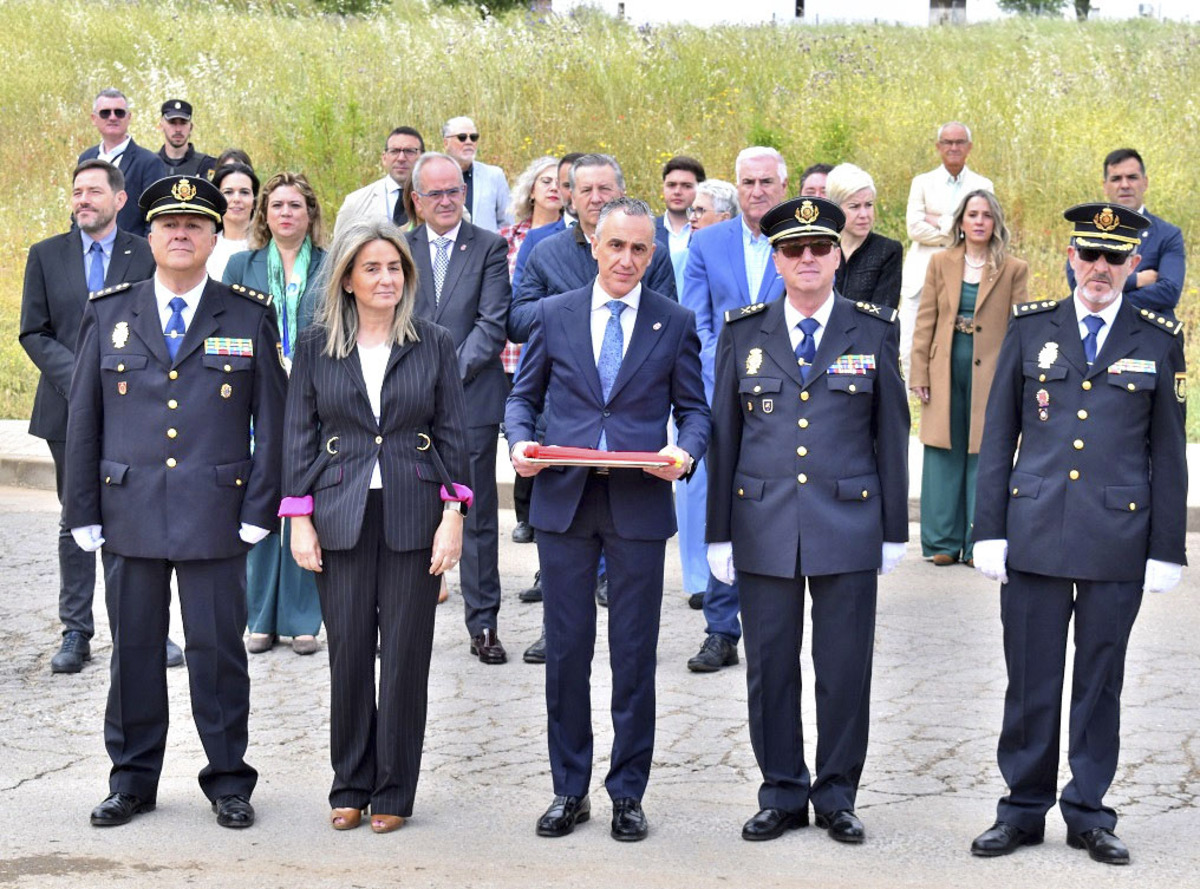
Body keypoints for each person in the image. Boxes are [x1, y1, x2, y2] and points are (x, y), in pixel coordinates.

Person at [64, 174, 287, 829]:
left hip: (216, 511)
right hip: (128, 510)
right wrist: (82, 509)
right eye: (168, 224)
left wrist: (260, 509)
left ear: (216, 235)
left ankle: (228, 780)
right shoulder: (109, 311)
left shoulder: (246, 312)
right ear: (150, 234)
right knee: (132, 650)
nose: (181, 233)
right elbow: (85, 415)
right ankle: (131, 779)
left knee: (218, 652)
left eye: (195, 224)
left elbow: (272, 421)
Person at [969, 202, 1186, 866]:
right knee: (1031, 675)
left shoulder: (1156, 335)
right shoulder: (1034, 328)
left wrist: (1166, 545)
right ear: (1071, 258)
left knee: (1099, 679)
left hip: (1117, 535)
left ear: (1131, 266)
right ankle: (1022, 808)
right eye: (1089, 255)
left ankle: (1089, 809)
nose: (1099, 269)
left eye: (1114, 258)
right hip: (1034, 527)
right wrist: (989, 530)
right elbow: (999, 431)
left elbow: (1169, 451)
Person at [706, 196, 909, 845]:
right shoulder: (744, 332)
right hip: (763, 521)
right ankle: (783, 790)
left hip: (849, 520)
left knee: (844, 664)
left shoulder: (871, 328)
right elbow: (725, 435)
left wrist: (894, 529)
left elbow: (892, 434)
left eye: (820, 247)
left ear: (836, 253)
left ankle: (838, 792)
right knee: (770, 664)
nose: (808, 259)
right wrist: (717, 532)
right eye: (794, 250)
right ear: (778, 258)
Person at [507, 197, 709, 843]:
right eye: (616, 245)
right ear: (594, 243)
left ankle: (627, 791)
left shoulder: (672, 322)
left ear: (654, 254)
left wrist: (685, 452)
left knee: (632, 655)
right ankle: (570, 789)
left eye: (640, 249)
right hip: (565, 502)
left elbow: (696, 412)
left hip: (638, 505)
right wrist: (518, 445)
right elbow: (523, 398)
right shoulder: (554, 313)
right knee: (567, 652)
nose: (626, 259)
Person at [283, 219, 470, 834]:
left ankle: (394, 790)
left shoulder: (435, 341)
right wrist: (299, 518)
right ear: (347, 279)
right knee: (349, 656)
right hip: (339, 514)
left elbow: (453, 436)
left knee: (406, 659)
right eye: (372, 268)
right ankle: (350, 784)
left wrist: (453, 517)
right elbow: (298, 436)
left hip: (416, 516)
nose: (386, 278)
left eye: (395, 268)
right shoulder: (316, 344)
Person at [20, 160, 157, 674]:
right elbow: (33, 331)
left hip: (133, 406)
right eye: (76, 191)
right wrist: (80, 376)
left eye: (93, 192)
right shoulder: (46, 255)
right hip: (65, 409)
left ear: (119, 200)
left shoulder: (144, 253)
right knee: (74, 514)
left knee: (134, 515)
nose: (82, 200)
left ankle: (142, 631)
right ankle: (75, 630)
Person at [679, 146, 788, 673]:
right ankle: (721, 630)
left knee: (778, 512)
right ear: (736, 187)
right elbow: (695, 319)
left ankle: (775, 627)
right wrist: (717, 377)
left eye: (767, 182)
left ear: (783, 188)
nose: (757, 191)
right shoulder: (707, 242)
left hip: (789, 401)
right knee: (725, 508)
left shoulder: (803, 240)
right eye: (748, 182)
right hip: (723, 393)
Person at [405, 152, 510, 664]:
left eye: (455, 191)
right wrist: (417, 381)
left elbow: (492, 324)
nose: (447, 201)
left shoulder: (489, 247)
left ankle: (483, 622)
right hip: (406, 401)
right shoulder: (397, 249)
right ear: (417, 199)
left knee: (475, 511)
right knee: (408, 511)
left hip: (472, 399)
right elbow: (388, 315)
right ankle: (404, 622)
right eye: (436, 194)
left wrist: (445, 375)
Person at [223, 172, 327, 655]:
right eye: (278, 205)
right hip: (255, 399)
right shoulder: (242, 266)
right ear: (265, 214)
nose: (286, 213)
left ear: (310, 214)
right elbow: (222, 331)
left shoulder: (331, 266)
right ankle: (259, 615)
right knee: (261, 499)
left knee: (310, 504)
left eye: (296, 205)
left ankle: (304, 617)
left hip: (317, 398)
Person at [910, 190, 1027, 566]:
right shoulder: (940, 262)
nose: (979, 221)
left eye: (986, 215)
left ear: (996, 223)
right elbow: (925, 318)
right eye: (972, 214)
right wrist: (919, 371)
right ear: (961, 221)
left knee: (985, 452)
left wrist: (1018, 378)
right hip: (944, 366)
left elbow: (1021, 327)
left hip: (992, 371)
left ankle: (981, 542)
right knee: (943, 450)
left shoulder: (1013, 268)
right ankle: (942, 541)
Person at [508, 154, 678, 343]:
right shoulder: (546, 253)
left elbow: (668, 326)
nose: (596, 198)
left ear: (622, 193)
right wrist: (576, 306)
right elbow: (518, 324)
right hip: (563, 368)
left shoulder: (651, 253)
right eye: (586, 190)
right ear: (572, 198)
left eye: (604, 189)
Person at [499, 155, 564, 546]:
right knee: (519, 429)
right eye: (546, 181)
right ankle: (526, 514)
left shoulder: (573, 238)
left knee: (543, 429)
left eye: (560, 181)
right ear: (531, 190)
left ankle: (537, 520)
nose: (555, 188)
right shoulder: (511, 237)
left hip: (550, 352)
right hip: (511, 354)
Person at [899, 122, 994, 372]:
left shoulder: (983, 186)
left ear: (969, 147)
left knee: (954, 346)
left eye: (959, 142)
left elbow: (982, 232)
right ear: (938, 147)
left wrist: (938, 220)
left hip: (965, 272)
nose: (954, 147)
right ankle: (910, 404)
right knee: (910, 346)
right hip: (921, 274)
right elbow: (914, 228)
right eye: (948, 142)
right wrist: (957, 229)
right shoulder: (922, 182)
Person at [1065, 148, 1185, 319]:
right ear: (1105, 186)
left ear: (1145, 182)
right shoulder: (1086, 228)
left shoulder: (1167, 234)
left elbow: (1169, 293)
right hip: (1096, 329)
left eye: (1132, 177)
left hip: (1149, 331)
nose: (1124, 185)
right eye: (1116, 179)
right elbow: (1076, 283)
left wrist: (1101, 298)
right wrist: (1138, 280)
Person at [77, 89, 167, 237]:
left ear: (129, 117)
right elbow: (79, 208)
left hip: (130, 253)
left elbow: (155, 218)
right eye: (105, 113)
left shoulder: (149, 162)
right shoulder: (86, 158)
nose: (112, 117)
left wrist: (141, 254)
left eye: (119, 112)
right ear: (94, 118)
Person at [825, 163, 902, 310]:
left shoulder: (888, 251)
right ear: (836, 208)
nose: (864, 215)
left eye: (868, 205)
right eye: (854, 206)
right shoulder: (822, 248)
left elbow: (883, 314)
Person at [332, 126, 425, 240]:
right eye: (394, 151)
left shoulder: (438, 200)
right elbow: (339, 251)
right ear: (384, 158)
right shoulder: (355, 203)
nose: (401, 158)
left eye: (409, 151)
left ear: (423, 157)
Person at [441, 115, 511, 232]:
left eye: (473, 137)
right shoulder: (434, 176)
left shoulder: (494, 175)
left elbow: (507, 223)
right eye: (462, 137)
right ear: (446, 143)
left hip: (486, 248)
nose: (469, 142)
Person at [655, 156, 705, 296]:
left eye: (686, 186)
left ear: (701, 189)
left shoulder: (708, 232)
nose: (677, 191)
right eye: (671, 185)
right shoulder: (647, 231)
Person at [207, 162, 259, 280]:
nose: (236, 199)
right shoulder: (205, 246)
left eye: (244, 192)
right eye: (228, 192)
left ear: (254, 200)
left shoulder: (268, 246)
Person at [155, 100, 216, 179]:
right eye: (172, 122)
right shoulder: (149, 165)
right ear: (161, 126)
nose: (178, 129)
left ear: (191, 127)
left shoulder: (208, 165)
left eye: (183, 123)